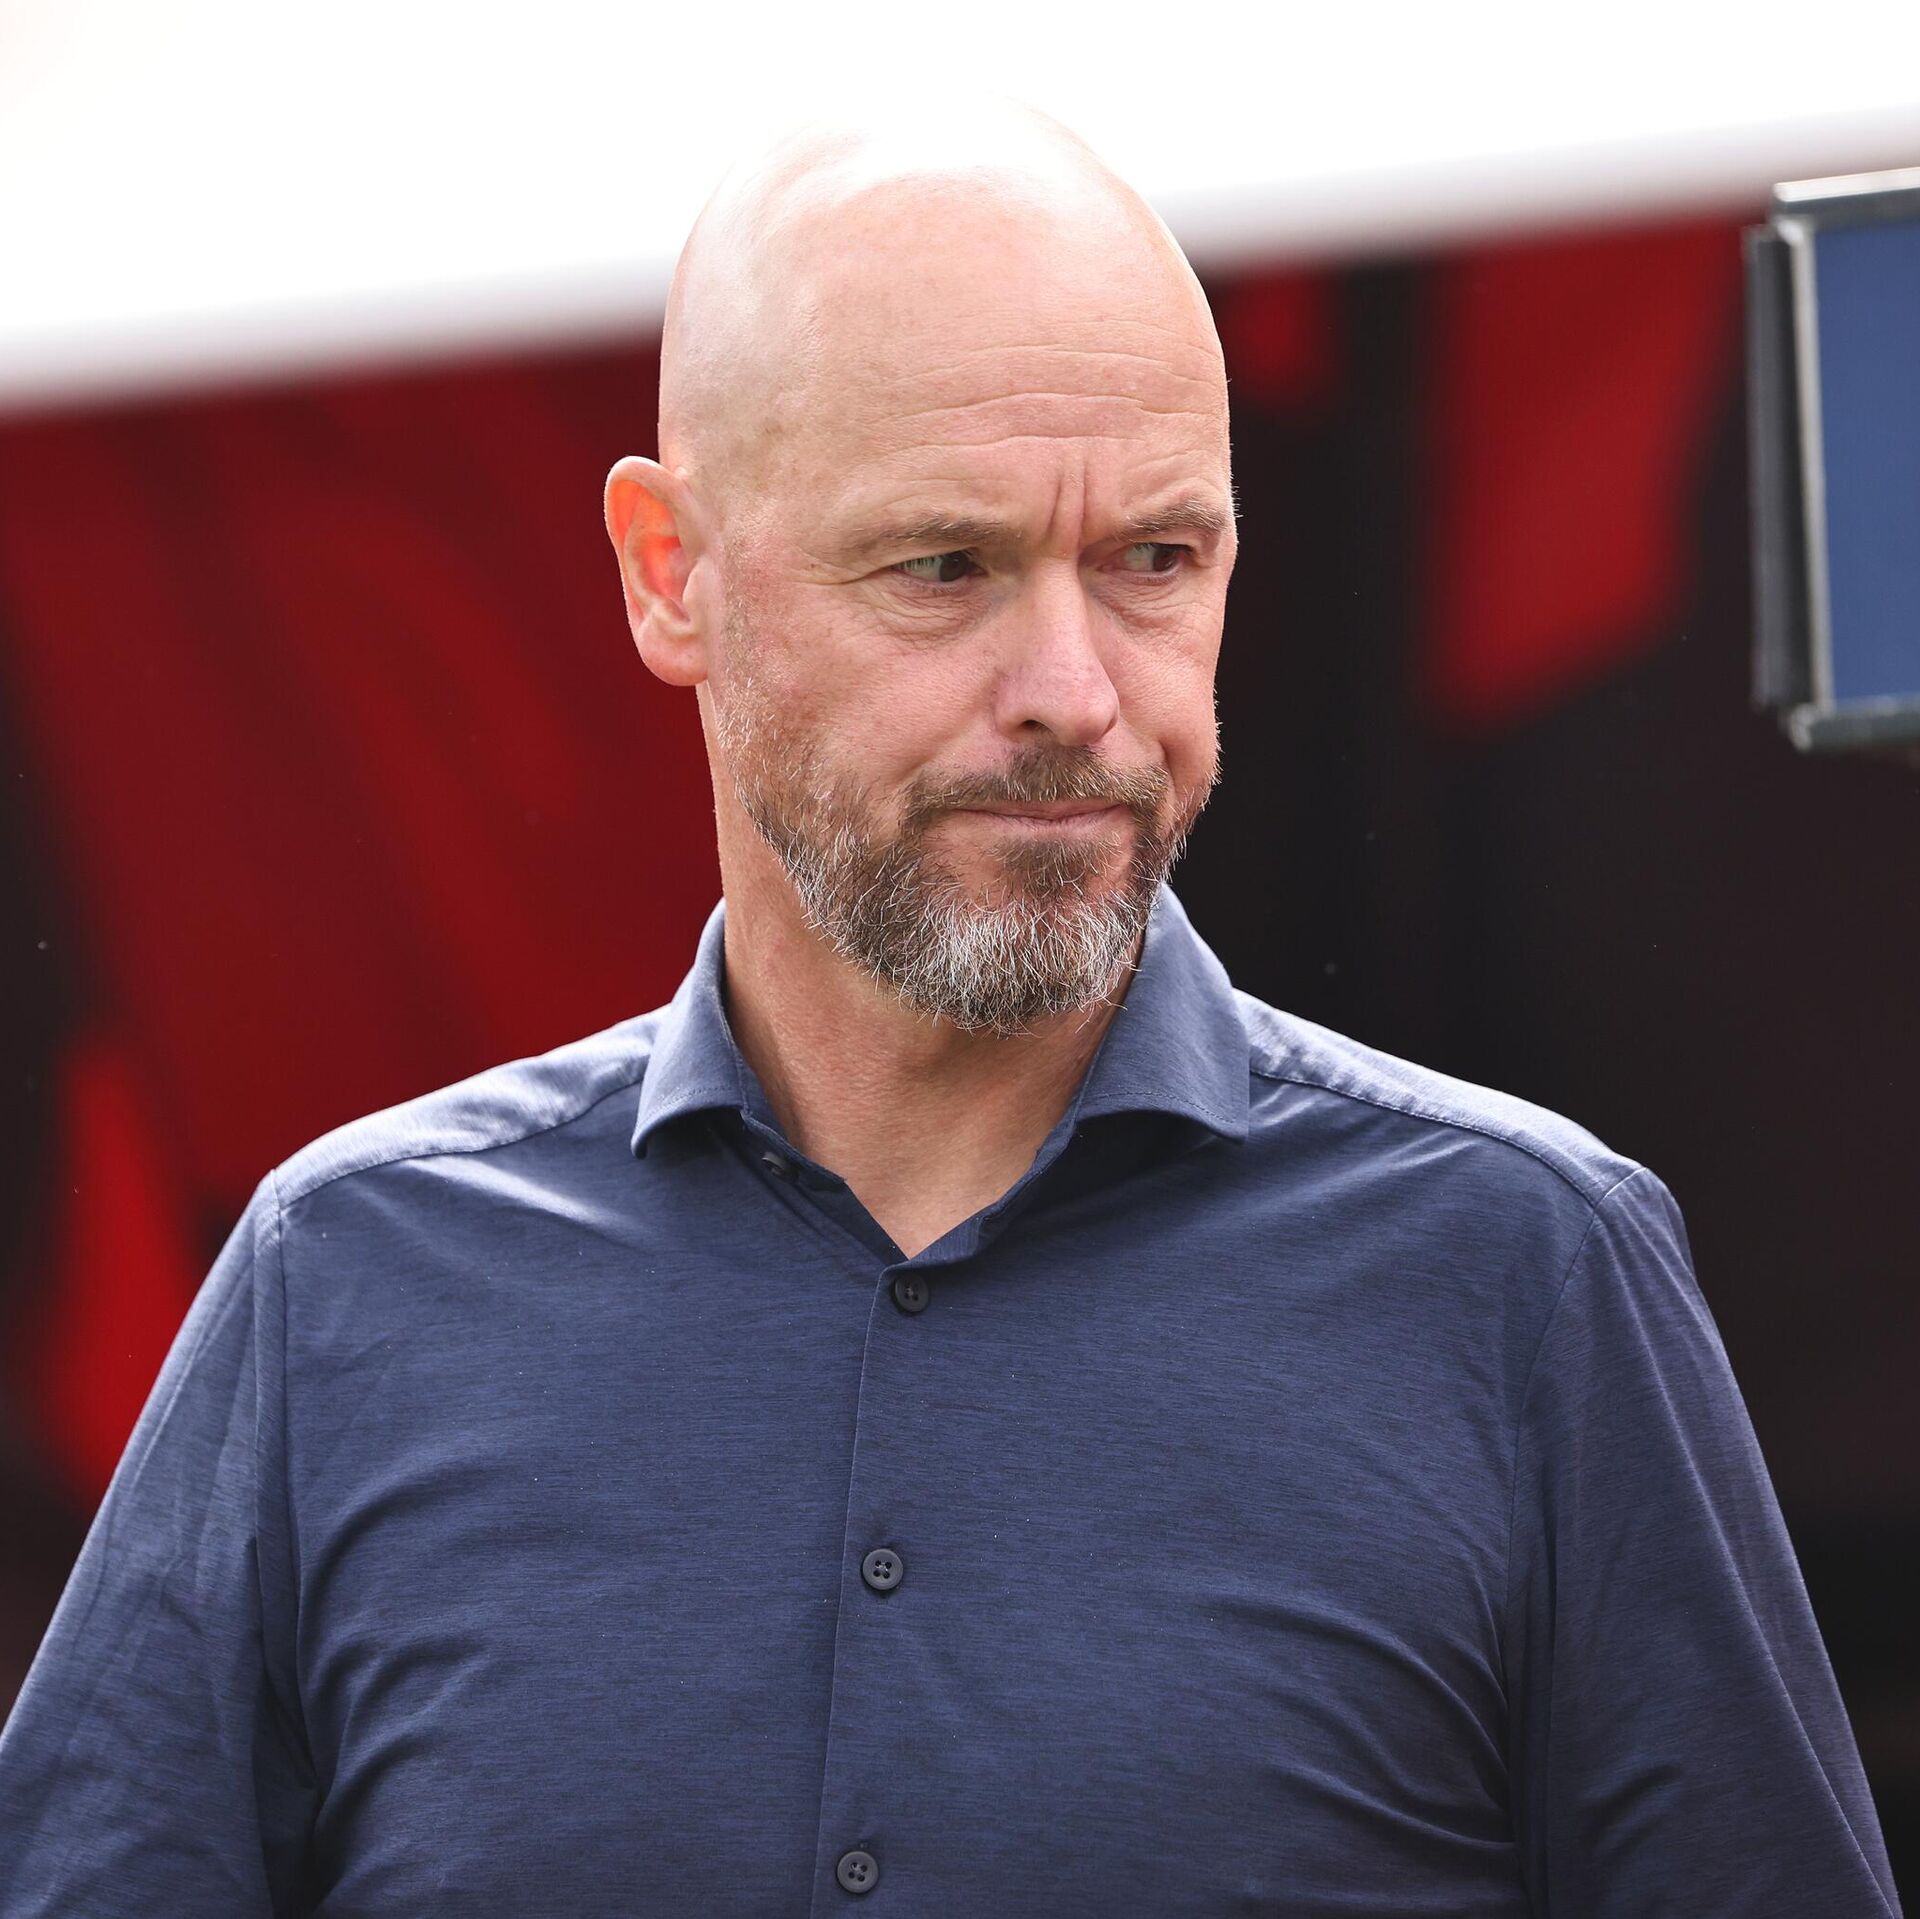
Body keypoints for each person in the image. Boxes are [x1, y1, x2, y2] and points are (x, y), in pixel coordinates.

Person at [0, 101, 1901, 1919]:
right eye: (945, 567)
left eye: (1154, 560)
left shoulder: (1527, 1275)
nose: (1074, 687)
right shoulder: (347, 1288)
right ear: (672, 577)